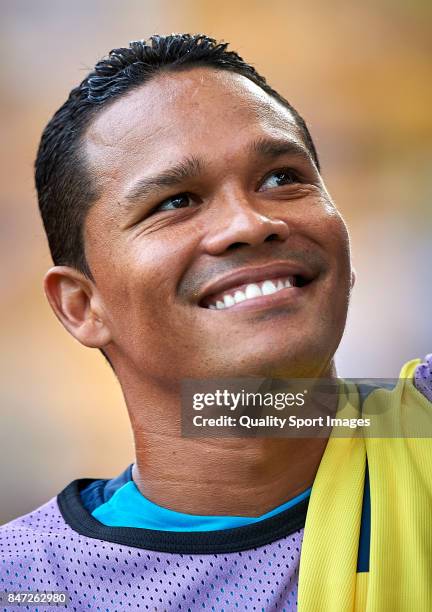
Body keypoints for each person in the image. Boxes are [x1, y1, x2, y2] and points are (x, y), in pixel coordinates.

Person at [1, 34, 431, 612]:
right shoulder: (28, 584)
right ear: (82, 306)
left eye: (281, 177)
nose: (251, 223)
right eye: (175, 201)